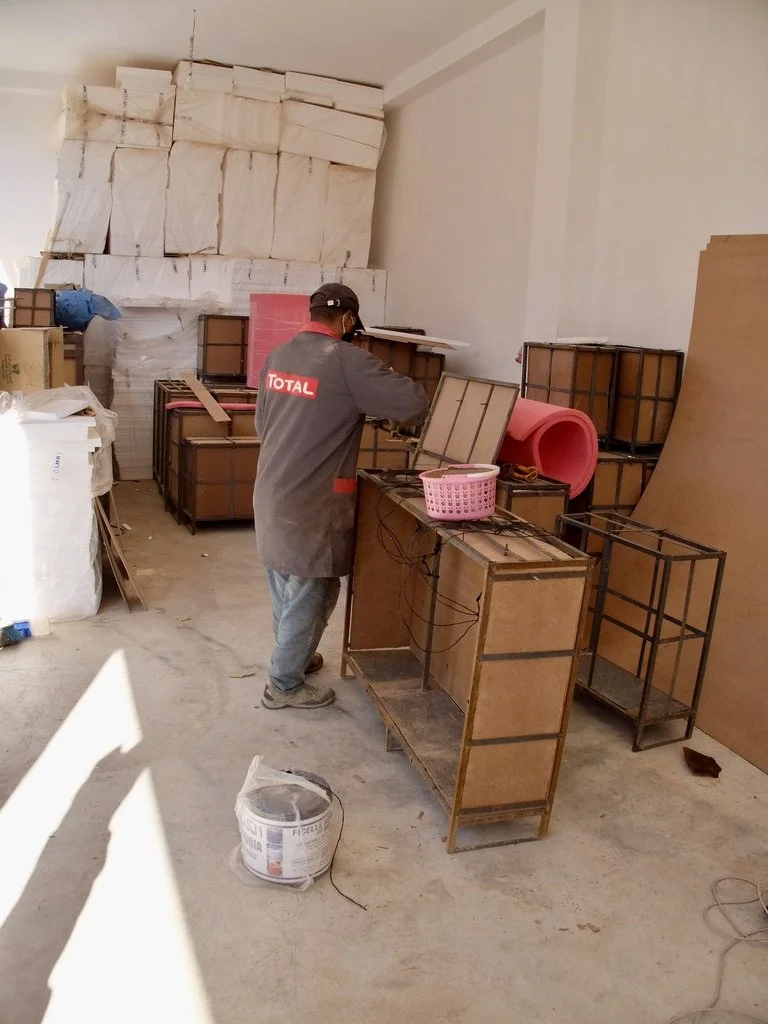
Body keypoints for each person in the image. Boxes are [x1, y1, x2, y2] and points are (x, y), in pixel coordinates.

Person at [254, 283, 430, 710]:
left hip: (271, 489)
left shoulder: (279, 356)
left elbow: (263, 422)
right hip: (312, 500)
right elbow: (412, 404)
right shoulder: (347, 361)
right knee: (314, 587)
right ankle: (284, 684)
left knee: (285, 578)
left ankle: (292, 655)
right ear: (349, 320)